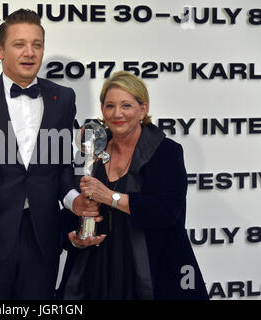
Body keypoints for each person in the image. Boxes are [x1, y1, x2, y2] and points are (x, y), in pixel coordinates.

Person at [0, 9, 97, 299]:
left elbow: (62, 165)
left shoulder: (63, 98)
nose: (30, 53)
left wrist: (73, 201)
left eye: (37, 44)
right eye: (19, 44)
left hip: (43, 236)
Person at [59, 71, 209, 300]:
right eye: (110, 106)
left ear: (143, 109)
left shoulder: (166, 152)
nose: (117, 114)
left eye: (126, 105)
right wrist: (75, 238)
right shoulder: (90, 151)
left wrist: (110, 197)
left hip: (150, 271)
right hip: (93, 273)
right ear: (102, 110)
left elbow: (166, 212)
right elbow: (74, 211)